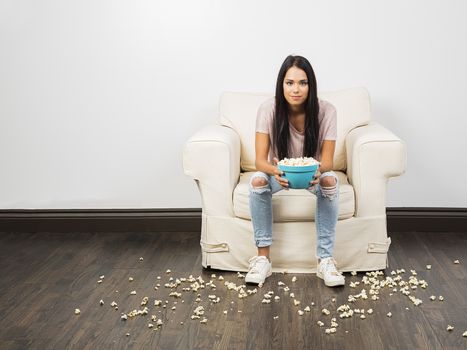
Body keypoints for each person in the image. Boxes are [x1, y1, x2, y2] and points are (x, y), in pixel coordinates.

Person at [245, 55, 345, 287]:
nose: (296, 89)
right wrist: (275, 170)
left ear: (311, 85)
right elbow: (260, 161)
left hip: (312, 173)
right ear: (281, 85)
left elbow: (327, 160)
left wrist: (319, 170)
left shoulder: (327, 111)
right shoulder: (268, 108)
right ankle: (262, 259)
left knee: (330, 181)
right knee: (258, 181)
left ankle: (325, 259)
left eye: (303, 82)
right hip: (279, 173)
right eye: (289, 83)